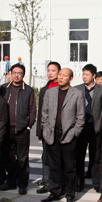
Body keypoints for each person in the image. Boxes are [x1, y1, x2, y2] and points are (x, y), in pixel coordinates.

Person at [41, 68, 85, 202]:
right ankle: (55, 192)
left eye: (64, 75)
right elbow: (44, 113)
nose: (60, 77)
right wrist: (46, 129)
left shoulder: (77, 94)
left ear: (70, 79)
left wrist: (75, 133)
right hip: (52, 134)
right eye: (60, 74)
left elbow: (81, 117)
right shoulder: (50, 92)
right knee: (54, 166)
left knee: (70, 167)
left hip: (69, 135)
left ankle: (70, 194)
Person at [0, 64, 36, 195]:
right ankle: (11, 181)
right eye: (14, 72)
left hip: (22, 130)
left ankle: (22, 184)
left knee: (22, 159)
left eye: (19, 73)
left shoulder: (28, 90)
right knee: (7, 158)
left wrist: (28, 125)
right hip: (6, 130)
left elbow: (33, 110)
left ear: (23, 75)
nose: (16, 75)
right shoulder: (3, 89)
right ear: (10, 73)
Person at [75, 64, 102, 192]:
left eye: (87, 74)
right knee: (79, 157)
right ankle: (79, 183)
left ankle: (97, 183)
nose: (84, 77)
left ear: (94, 76)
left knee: (95, 157)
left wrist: (100, 127)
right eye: (83, 74)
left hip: (95, 128)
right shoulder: (77, 89)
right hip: (81, 128)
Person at [35, 61, 61, 194]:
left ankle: (58, 183)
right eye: (48, 70)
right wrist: (39, 130)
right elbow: (41, 111)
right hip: (47, 129)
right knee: (46, 157)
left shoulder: (64, 88)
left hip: (60, 130)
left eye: (53, 70)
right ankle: (46, 182)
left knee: (59, 158)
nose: (50, 73)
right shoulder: (45, 89)